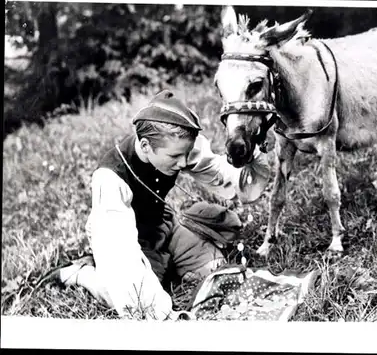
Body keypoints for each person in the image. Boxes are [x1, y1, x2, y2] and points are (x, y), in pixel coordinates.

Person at [50, 89, 270, 321]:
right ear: (145, 146)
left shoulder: (175, 146)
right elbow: (122, 253)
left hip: (162, 224)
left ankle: (169, 259)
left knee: (215, 268)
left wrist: (250, 160)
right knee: (129, 297)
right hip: (125, 240)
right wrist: (165, 315)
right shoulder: (110, 179)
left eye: (185, 154)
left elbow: (219, 172)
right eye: (176, 157)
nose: (184, 162)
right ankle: (80, 273)